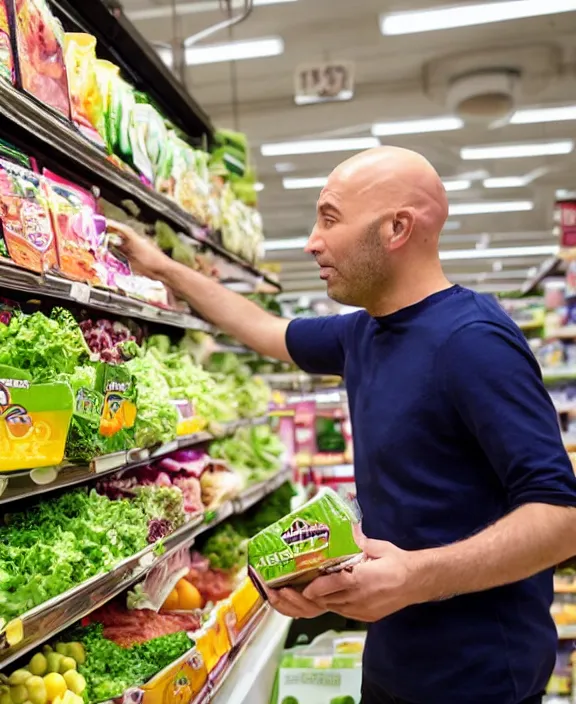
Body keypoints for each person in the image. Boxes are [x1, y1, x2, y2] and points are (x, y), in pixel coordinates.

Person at [115, 146, 576, 704]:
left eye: (329, 218)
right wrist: (160, 267)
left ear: (397, 228)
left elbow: (562, 516)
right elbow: (262, 328)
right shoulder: (363, 333)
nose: (312, 240)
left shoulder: (473, 342)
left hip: (477, 679)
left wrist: (416, 578)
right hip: (393, 662)